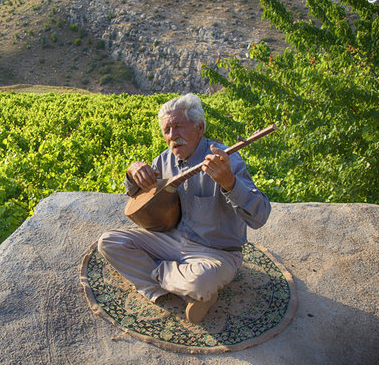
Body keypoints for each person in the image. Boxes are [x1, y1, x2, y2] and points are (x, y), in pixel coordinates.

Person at [98, 93, 271, 323]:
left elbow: (260, 216)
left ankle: (168, 278)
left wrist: (230, 182)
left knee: (202, 281)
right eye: (166, 130)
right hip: (171, 242)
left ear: (199, 127)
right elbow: (139, 195)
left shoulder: (228, 159)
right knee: (109, 242)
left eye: (178, 127)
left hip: (216, 253)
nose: (172, 136)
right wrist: (133, 172)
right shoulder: (164, 161)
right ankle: (180, 285)